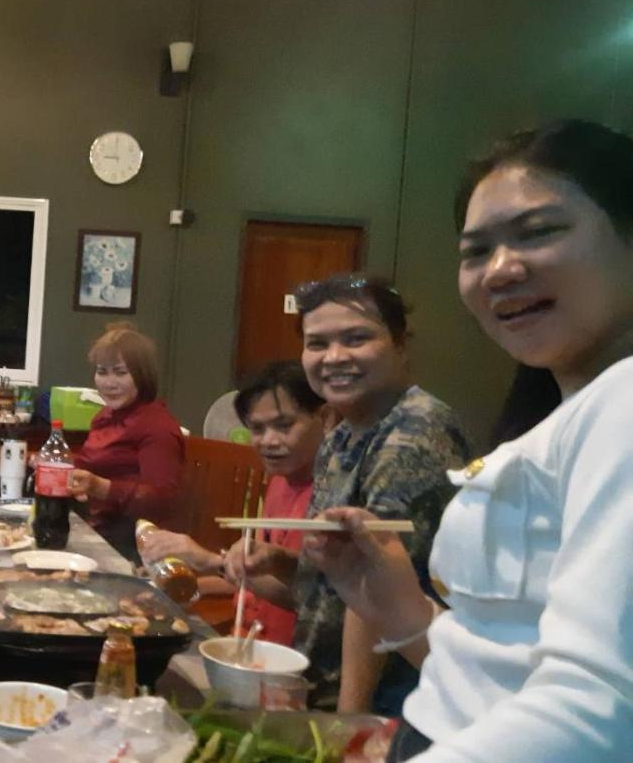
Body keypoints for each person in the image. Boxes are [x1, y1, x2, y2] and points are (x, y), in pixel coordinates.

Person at [305, 120, 633, 762]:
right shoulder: (562, 417)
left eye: (539, 232)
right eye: (476, 251)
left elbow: (600, 711)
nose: (501, 269)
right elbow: (493, 677)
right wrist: (402, 611)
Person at [225, 276, 471, 715]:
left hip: (392, 705)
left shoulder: (413, 433)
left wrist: (347, 722)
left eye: (356, 338)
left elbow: (375, 588)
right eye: (317, 344)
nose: (334, 357)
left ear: (400, 343)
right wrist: (281, 560)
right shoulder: (342, 433)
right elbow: (338, 577)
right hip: (320, 682)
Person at [138, 360, 330, 645]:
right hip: (245, 639)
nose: (269, 441)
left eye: (284, 425)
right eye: (257, 429)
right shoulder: (280, 480)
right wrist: (186, 585)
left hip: (286, 654)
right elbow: (253, 576)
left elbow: (307, 594)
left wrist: (210, 560)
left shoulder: (331, 496)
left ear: (326, 418)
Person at [65, 322, 186, 561]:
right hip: (94, 530)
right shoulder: (104, 417)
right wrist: (57, 464)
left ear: (143, 375)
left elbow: (163, 500)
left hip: (134, 545)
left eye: (121, 373)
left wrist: (102, 487)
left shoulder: (157, 427)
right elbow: (90, 465)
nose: (109, 383)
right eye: (102, 372)